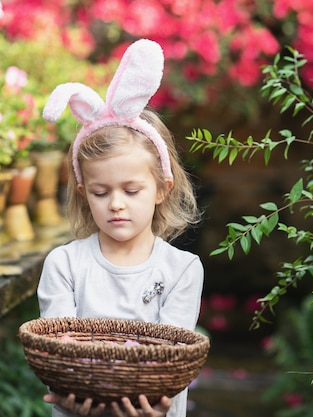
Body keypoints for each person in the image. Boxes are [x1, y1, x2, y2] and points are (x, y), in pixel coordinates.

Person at [37, 39, 204, 417]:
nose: (115, 203)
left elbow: (169, 361)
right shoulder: (64, 265)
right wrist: (88, 403)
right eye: (100, 192)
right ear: (83, 193)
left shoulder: (180, 270)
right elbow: (58, 353)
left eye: (132, 190)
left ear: (163, 188)